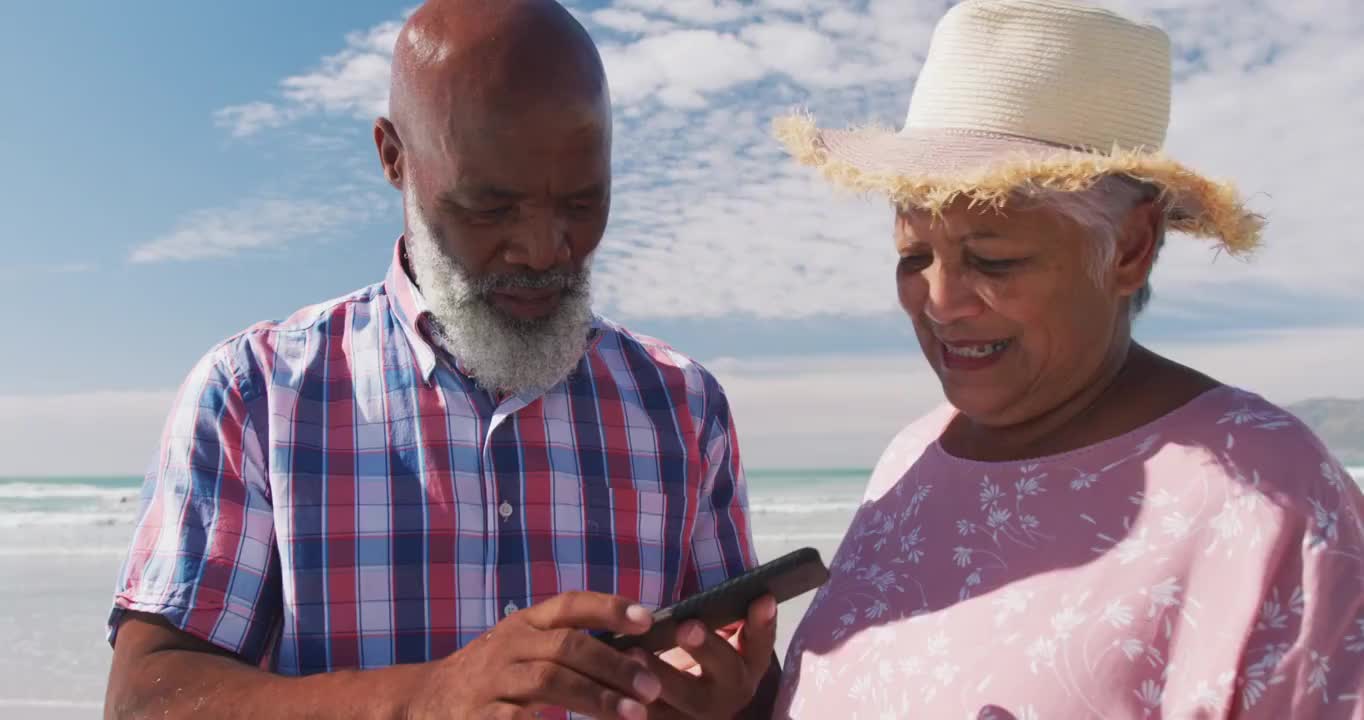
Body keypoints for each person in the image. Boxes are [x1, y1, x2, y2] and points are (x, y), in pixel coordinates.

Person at [102, 1, 779, 718]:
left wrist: (734, 698)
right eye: (491, 208)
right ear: (394, 157)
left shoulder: (682, 406)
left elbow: (746, 675)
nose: (543, 249)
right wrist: (425, 697)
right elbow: (148, 699)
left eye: (582, 204)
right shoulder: (257, 396)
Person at [770, 0, 1364, 717]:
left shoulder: (1270, 495)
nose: (941, 301)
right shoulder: (913, 454)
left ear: (1131, 248)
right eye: (913, 256)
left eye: (993, 258)